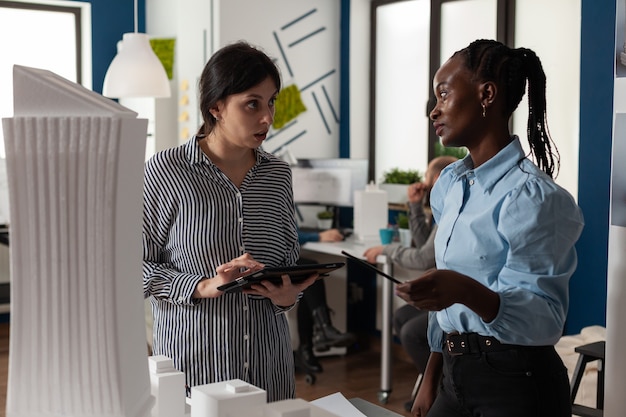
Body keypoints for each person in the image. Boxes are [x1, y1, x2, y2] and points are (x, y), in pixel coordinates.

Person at [395, 39, 584, 417]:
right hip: (453, 373)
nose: (434, 110)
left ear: (487, 94)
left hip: (517, 383)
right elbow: (445, 313)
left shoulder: (535, 198)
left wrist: (464, 290)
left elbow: (545, 319)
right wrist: (429, 380)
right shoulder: (448, 184)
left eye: (444, 94)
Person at [142, 41, 320, 402]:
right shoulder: (165, 170)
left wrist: (289, 295)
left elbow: (287, 259)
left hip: (269, 366)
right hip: (194, 367)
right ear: (217, 107)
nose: (267, 117)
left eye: (271, 102)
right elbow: (133, 266)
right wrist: (203, 286)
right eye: (252, 103)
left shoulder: (278, 176)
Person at [363, 156, 456, 411]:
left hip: (449, 294)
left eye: (426, 181)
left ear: (437, 179)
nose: (423, 185)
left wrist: (387, 249)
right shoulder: (441, 208)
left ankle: (441, 387)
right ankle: (435, 385)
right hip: (439, 290)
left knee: (411, 332)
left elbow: (424, 258)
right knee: (401, 317)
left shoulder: (452, 208)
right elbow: (425, 243)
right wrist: (415, 206)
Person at [294, 228, 356, 374]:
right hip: (257, 264)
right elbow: (284, 235)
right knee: (310, 271)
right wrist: (317, 235)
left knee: (308, 276)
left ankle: (307, 347)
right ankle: (322, 330)